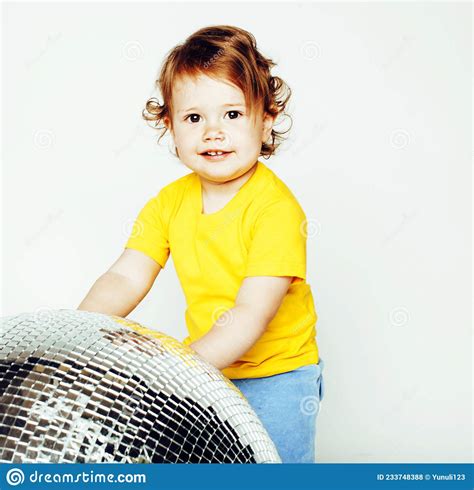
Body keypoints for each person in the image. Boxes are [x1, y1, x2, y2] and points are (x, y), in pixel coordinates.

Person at [77, 24, 325, 463]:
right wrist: (80, 331)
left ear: (265, 120)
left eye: (231, 115)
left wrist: (179, 368)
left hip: (278, 377)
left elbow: (251, 314)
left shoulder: (276, 210)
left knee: (274, 470)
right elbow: (125, 275)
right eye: (194, 118)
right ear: (170, 126)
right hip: (208, 371)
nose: (213, 132)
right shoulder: (169, 202)